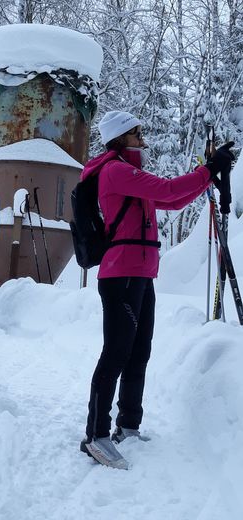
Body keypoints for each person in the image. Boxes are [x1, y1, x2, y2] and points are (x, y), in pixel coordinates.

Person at [79, 110, 234, 469]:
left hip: (142, 274)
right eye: (136, 133)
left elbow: (173, 199)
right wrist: (209, 169)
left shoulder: (131, 173)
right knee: (116, 353)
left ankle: (128, 425)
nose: (143, 138)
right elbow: (166, 189)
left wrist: (207, 174)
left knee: (139, 351)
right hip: (120, 276)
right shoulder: (116, 170)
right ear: (120, 137)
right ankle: (95, 436)